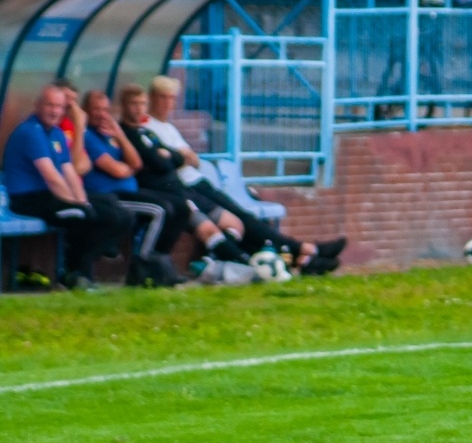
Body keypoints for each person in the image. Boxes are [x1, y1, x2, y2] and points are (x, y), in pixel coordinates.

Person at [131, 77, 344, 274]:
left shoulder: (169, 128)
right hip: (184, 188)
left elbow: (193, 159)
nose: (168, 103)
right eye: (163, 97)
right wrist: (180, 156)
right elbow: (170, 161)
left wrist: (179, 156)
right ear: (152, 98)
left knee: (245, 222)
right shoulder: (148, 128)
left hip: (198, 182)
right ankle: (304, 251)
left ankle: (298, 259)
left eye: (172, 98)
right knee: (242, 222)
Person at [82, 90, 251, 280]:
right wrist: (133, 164)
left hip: (149, 190)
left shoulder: (116, 134)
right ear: (86, 111)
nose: (102, 114)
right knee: (160, 210)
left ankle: (160, 262)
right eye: (96, 109)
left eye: (105, 109)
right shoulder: (88, 136)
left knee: (181, 208)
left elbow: (146, 162)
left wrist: (120, 137)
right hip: (111, 194)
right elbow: (125, 168)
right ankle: (142, 267)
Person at [2, 85, 131, 288]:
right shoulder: (30, 131)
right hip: (28, 199)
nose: (54, 111)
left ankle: (79, 268)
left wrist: (83, 200)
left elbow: (68, 172)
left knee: (119, 213)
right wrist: (80, 205)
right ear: (37, 106)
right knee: (81, 215)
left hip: (50, 195)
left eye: (59, 107)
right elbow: (52, 177)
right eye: (49, 105)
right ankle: (74, 274)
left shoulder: (57, 133)